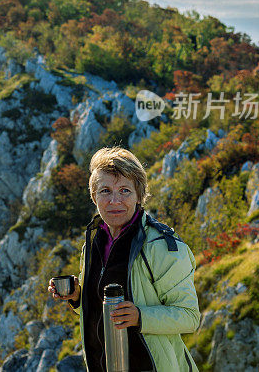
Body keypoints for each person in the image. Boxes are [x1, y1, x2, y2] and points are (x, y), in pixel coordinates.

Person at [48, 147, 200, 372]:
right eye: (105, 191)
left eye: (125, 191)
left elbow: (189, 317)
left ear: (139, 196)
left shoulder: (163, 247)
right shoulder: (93, 243)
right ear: (94, 196)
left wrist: (140, 316)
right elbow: (103, 312)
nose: (114, 201)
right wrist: (79, 297)